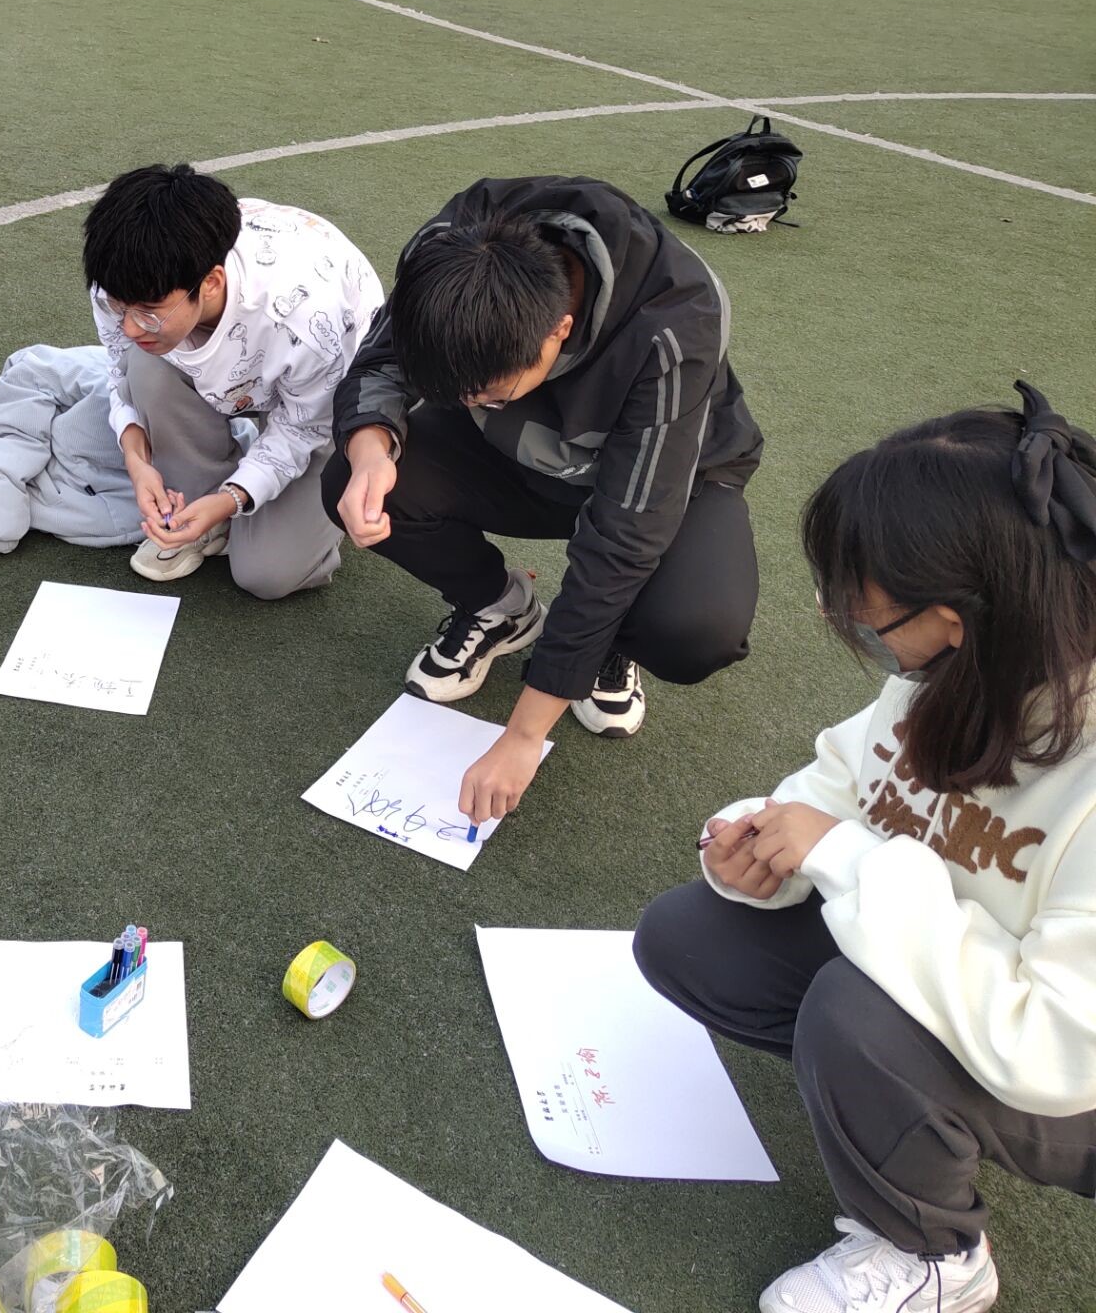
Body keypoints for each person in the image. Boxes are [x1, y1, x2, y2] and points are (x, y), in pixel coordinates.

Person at [632, 386, 1096, 1313]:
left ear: (958, 620)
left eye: (863, 609)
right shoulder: (962, 671)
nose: (835, 613)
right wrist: (761, 840)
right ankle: (903, 1109)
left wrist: (843, 859)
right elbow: (846, 783)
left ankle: (937, 1258)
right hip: (967, 962)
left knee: (857, 1018)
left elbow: (1051, 1045)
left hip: (1071, 1071)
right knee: (691, 937)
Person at [326, 176, 762, 821]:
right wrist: (372, 451)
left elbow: (624, 536)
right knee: (353, 479)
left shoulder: (676, 320)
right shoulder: (446, 250)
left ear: (560, 328)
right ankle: (498, 607)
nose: (472, 401)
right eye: (458, 392)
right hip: (519, 453)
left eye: (491, 391)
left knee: (695, 629)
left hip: (670, 479)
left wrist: (524, 734)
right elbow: (382, 360)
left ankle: (613, 642)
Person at [84, 164, 384, 599]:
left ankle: (314, 504)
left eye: (148, 312)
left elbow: (302, 430)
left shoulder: (308, 326)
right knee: (143, 363)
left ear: (211, 282)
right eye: (118, 306)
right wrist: (136, 457)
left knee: (266, 574)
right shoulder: (123, 280)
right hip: (251, 369)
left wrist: (233, 499)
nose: (129, 325)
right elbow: (119, 369)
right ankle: (207, 503)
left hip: (328, 400)